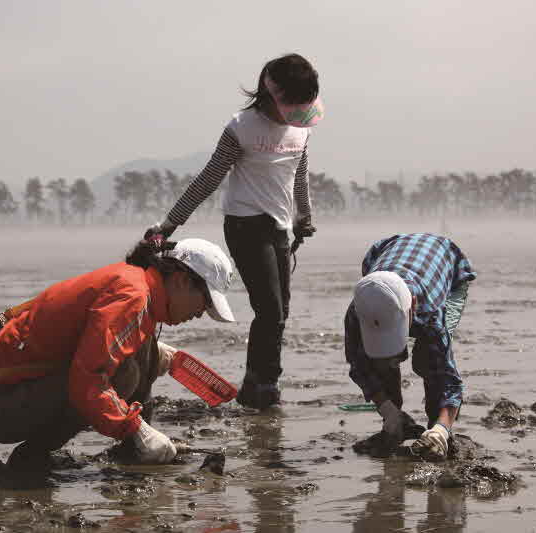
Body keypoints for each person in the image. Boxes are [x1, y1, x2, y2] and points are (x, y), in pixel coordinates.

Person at [0, 238, 235, 471]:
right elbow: (88, 379)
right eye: (205, 302)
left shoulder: (139, 287)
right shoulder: (132, 297)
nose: (201, 313)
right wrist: (135, 428)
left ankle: (135, 448)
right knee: (122, 375)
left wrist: (149, 354)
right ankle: (31, 458)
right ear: (182, 280)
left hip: (12, 393)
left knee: (142, 351)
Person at [144, 53, 324, 410]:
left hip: (279, 227)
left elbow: (298, 177)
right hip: (245, 225)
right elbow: (209, 179)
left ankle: (261, 383)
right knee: (270, 309)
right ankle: (262, 387)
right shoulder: (242, 127)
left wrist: (304, 216)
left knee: (281, 310)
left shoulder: (300, 129)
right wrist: (169, 224)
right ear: (272, 93)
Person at [344, 233, 477, 461]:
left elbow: (449, 381)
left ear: (412, 307)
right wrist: (387, 409)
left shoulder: (431, 313)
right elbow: (360, 366)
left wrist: (441, 429)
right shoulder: (360, 309)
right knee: (381, 362)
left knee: (427, 359)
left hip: (451, 269)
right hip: (385, 251)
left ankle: (438, 432)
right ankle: (396, 422)